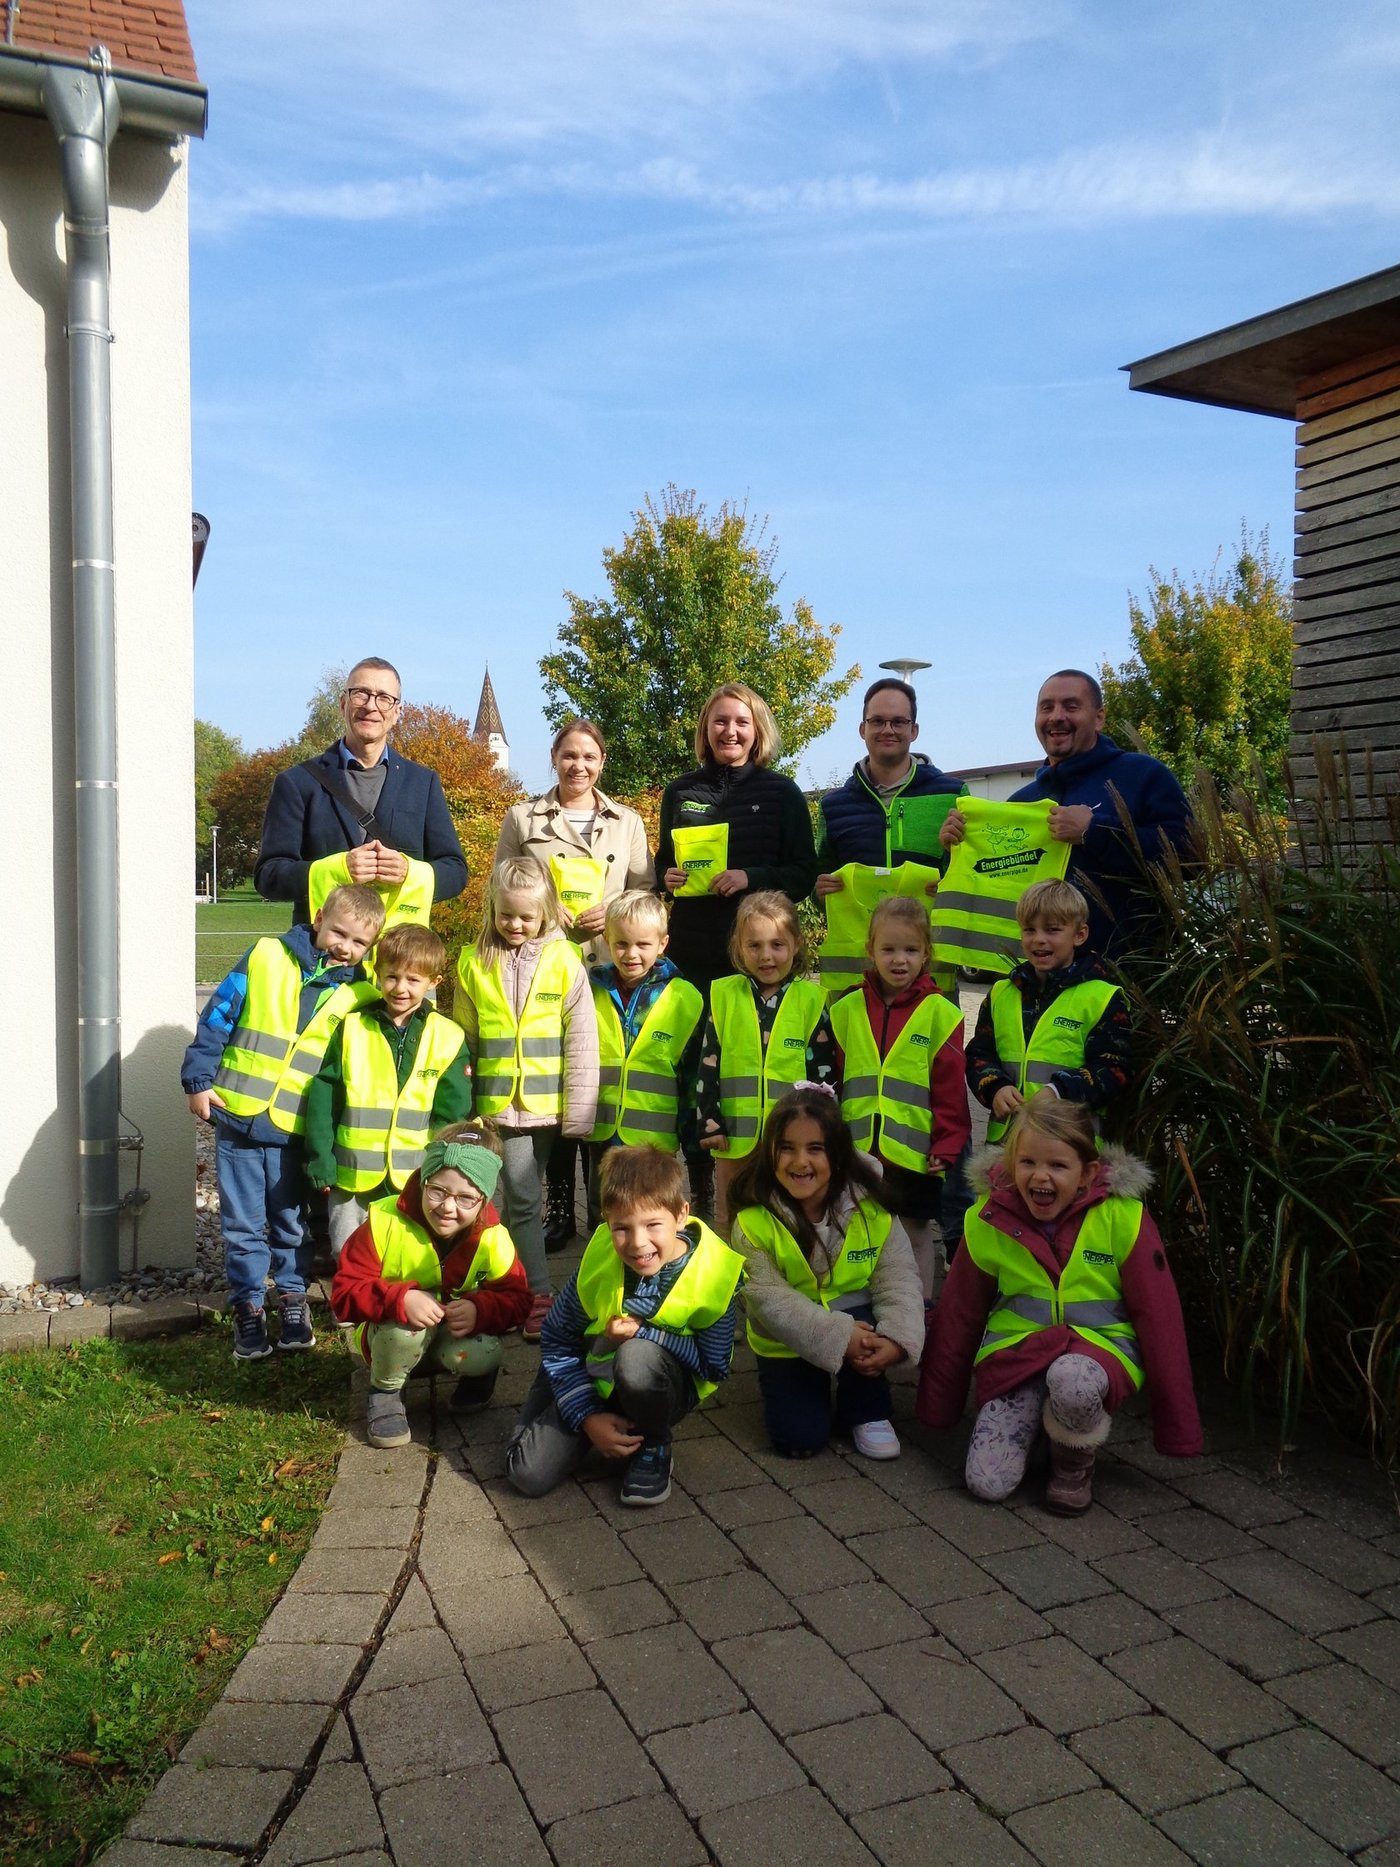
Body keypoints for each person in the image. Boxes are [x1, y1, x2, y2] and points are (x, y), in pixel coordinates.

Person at [917, 1098, 1201, 1513]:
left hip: (1095, 1355)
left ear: (1087, 1173)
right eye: (1027, 1162)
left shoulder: (1124, 1219)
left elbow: (1160, 1321)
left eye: (1058, 1166)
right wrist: (937, 1409)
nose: (1040, 1176)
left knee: (1072, 1380)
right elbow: (960, 1316)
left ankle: (1072, 1460)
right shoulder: (985, 1217)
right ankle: (1038, 1434)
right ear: (1012, 1163)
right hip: (1017, 1355)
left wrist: (1179, 1429)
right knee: (987, 1483)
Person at [182, 883, 385, 1360]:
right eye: (338, 932)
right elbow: (218, 1016)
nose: (345, 947)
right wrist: (197, 1080)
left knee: (290, 1223)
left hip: (296, 1131)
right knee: (241, 1224)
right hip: (238, 1118)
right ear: (318, 918)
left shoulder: (359, 994)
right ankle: (249, 1306)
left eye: (359, 943)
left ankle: (293, 1297)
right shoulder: (266, 955)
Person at [505, 1145, 744, 1506]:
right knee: (526, 1474)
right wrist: (587, 1416)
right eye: (621, 1228)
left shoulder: (714, 1272)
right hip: (591, 1372)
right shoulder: (601, 1255)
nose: (637, 1243)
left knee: (637, 1357)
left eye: (652, 1225)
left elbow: (714, 1366)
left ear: (681, 1215)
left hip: (653, 1384)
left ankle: (653, 1444)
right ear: (604, 1220)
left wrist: (643, 1333)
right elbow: (557, 1335)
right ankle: (583, 1411)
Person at [494, 718, 653, 1253]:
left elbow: (643, 893)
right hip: (544, 965)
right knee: (557, 1092)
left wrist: (611, 910)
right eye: (568, 756)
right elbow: (504, 885)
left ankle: (604, 1210)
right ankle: (559, 1213)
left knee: (598, 1089)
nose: (578, 766)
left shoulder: (627, 821)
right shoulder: (522, 817)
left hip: (611, 967)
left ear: (601, 762)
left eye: (588, 756)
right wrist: (549, 910)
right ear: (554, 758)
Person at [731, 1086, 925, 1460]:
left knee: (868, 1339)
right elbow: (770, 1301)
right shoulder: (752, 1221)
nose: (799, 1161)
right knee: (799, 1440)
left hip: (861, 1334)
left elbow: (898, 1277)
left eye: (815, 1148)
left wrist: (897, 1339)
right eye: (786, 1147)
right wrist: (838, 1337)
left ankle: (866, 1408)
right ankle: (810, 1390)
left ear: (837, 1154)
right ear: (769, 1152)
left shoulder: (871, 1209)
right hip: (787, 1338)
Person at [940, 669, 1191, 956]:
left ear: (1099, 717)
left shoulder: (1143, 775)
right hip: (1039, 981)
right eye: (1046, 707)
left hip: (1126, 981)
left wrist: (1094, 831)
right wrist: (955, 851)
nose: (1056, 716)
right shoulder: (1021, 802)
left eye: (1071, 706)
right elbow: (995, 884)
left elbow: (1189, 857)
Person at [455, 856, 598, 1341]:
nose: (515, 925)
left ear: (547, 914)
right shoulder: (473, 962)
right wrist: (462, 1107)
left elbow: (581, 1040)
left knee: (522, 1196)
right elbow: (462, 1040)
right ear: (491, 908)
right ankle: (536, 1294)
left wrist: (578, 1113)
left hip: (549, 1106)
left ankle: (516, 1285)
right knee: (521, 1197)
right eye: (505, 915)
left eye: (526, 917)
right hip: (498, 1108)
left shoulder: (565, 961)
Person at [331, 1121, 531, 1449]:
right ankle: (385, 1391)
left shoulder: (494, 1238)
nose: (448, 1207)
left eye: (466, 1198)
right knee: (402, 1330)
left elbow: (520, 1299)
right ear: (424, 1181)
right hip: (393, 1336)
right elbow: (344, 1293)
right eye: (437, 1190)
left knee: (486, 1350)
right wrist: (398, 1300)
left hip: (451, 1336)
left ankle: (476, 1378)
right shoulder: (384, 1221)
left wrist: (480, 1309)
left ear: (484, 1199)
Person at [254, 657, 468, 929]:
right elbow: (268, 876)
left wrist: (409, 872)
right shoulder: (297, 783)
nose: (371, 706)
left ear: (396, 712)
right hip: (324, 959)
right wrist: (339, 869)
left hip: (397, 961)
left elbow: (456, 871)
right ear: (344, 703)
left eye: (383, 698)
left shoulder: (423, 783)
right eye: (361, 694)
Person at [303, 924, 474, 1258]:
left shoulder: (448, 1036)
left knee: (408, 1258)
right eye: (392, 977)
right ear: (377, 974)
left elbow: (452, 1114)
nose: (400, 988)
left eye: (413, 980)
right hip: (350, 1178)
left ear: (433, 983)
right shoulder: (351, 1027)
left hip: (415, 1180)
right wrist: (320, 1159)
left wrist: (440, 1171)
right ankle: (352, 1314)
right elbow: (325, 1097)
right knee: (349, 1258)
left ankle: (402, 1311)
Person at [828, 897, 970, 1299]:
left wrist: (947, 1143)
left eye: (910, 950)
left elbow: (950, 1089)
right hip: (856, 1151)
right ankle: (862, 1303)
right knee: (857, 1229)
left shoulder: (940, 1013)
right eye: (888, 949)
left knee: (914, 1234)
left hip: (914, 1154)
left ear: (927, 953)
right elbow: (834, 1081)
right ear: (869, 949)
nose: (899, 960)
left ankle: (920, 1306)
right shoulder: (846, 1007)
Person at [693, 890, 838, 1233]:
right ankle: (733, 1283)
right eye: (754, 945)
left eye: (777, 944)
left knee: (790, 1215)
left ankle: (789, 1279)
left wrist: (822, 1132)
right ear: (738, 947)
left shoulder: (811, 1001)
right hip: (733, 1138)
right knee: (731, 1216)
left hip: (792, 1143)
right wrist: (710, 1122)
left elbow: (825, 1076)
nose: (766, 956)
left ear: (797, 944)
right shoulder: (725, 996)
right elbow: (708, 1065)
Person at [966, 879, 1130, 1145]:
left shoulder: (1103, 997)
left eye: (1052, 930)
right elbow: (979, 1054)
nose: (1039, 939)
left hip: (1069, 1146)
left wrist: (1058, 1090)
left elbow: (1113, 1070)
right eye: (1029, 930)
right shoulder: (1001, 993)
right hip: (1005, 1147)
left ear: (1080, 934)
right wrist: (994, 1086)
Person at [587, 890, 704, 1204]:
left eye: (643, 944)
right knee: (605, 1216)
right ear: (606, 939)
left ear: (662, 944)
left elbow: (692, 1077)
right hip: (601, 1130)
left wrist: (692, 1140)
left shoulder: (685, 997)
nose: (631, 954)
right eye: (621, 944)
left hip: (656, 1141)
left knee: (653, 1215)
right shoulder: (592, 990)